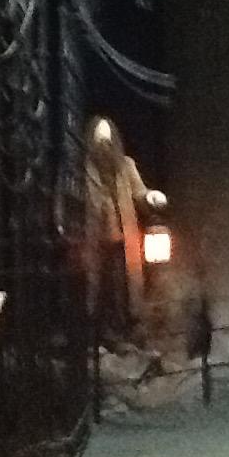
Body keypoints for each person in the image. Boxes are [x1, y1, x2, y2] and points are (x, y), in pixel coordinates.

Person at [83, 116, 167, 343]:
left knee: (122, 287)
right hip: (96, 239)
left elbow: (139, 192)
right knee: (98, 286)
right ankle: (100, 333)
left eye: (107, 140)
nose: (104, 145)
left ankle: (123, 330)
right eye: (99, 140)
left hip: (122, 239)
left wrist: (150, 197)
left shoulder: (126, 166)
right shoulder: (84, 169)